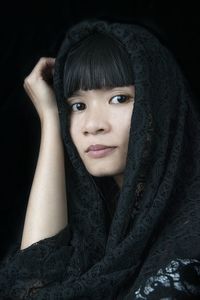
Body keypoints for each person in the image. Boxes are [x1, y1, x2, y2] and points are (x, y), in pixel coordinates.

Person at [0, 18, 200, 299]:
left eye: (119, 98)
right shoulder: (92, 228)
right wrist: (50, 119)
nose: (92, 124)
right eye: (78, 105)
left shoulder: (188, 250)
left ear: (159, 105)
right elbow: (29, 281)